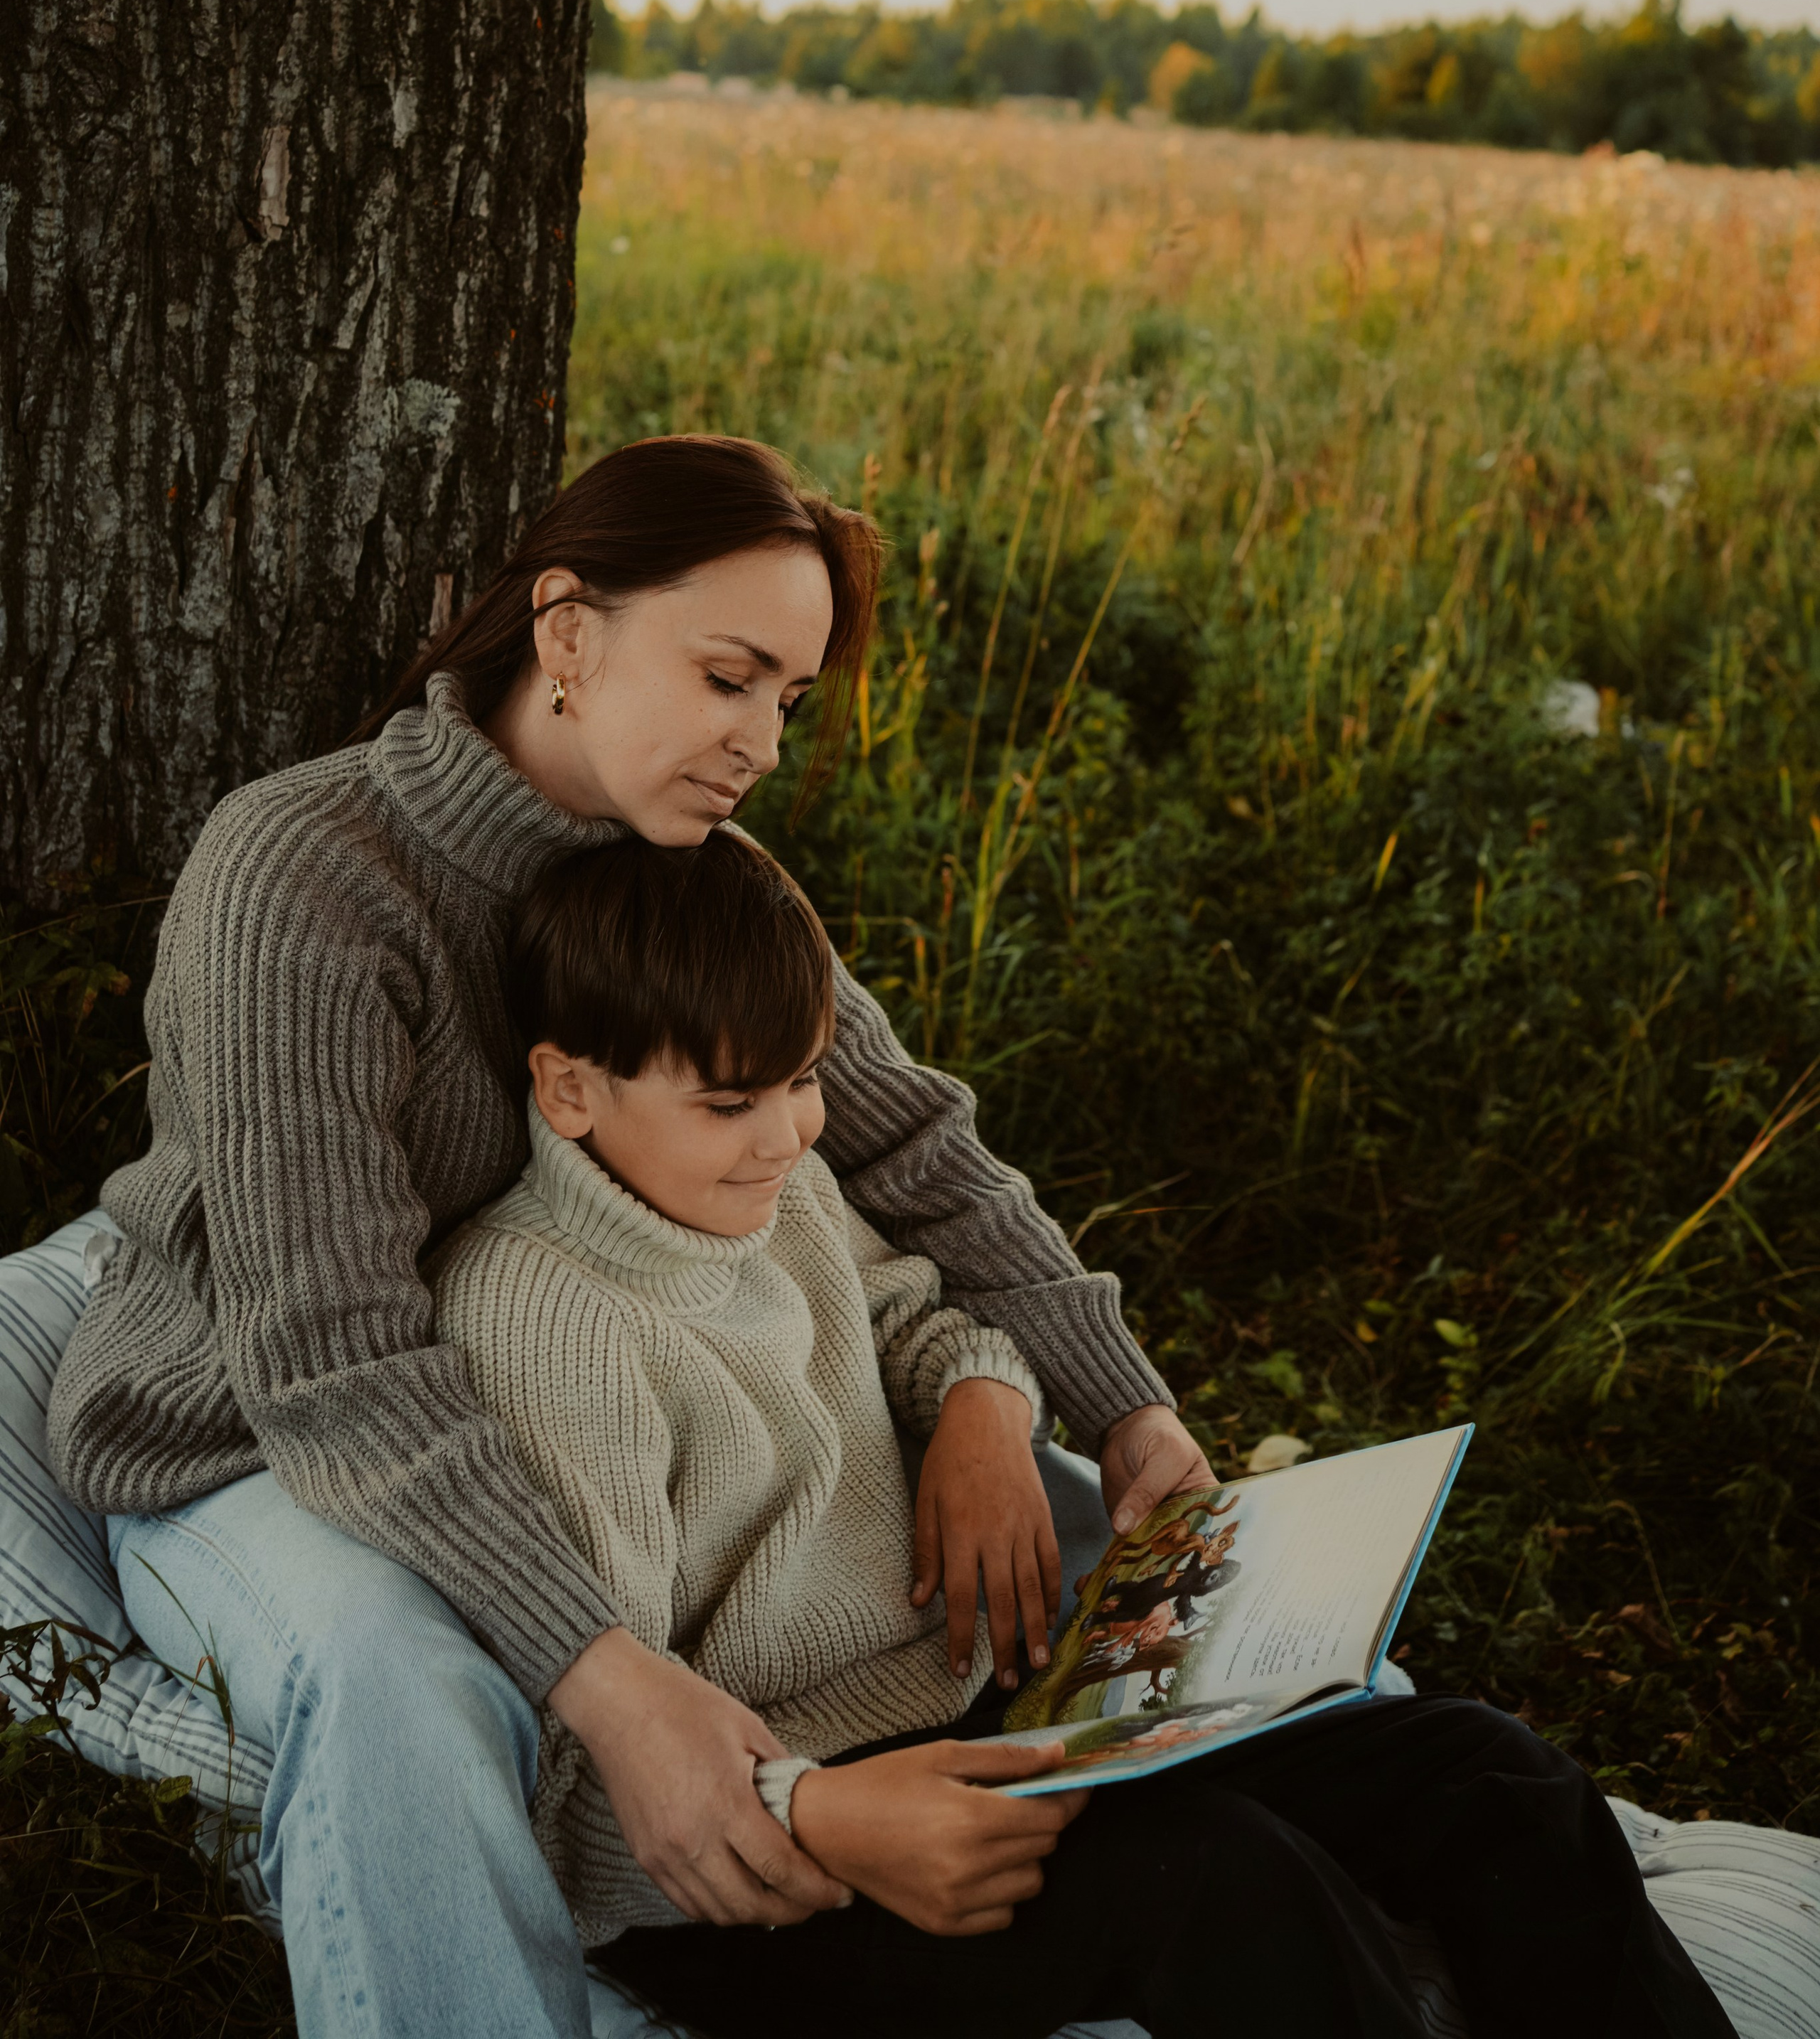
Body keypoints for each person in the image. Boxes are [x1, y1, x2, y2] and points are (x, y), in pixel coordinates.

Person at [45, 434, 1194, 2039]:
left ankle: (1351, 1878)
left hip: (585, 1382)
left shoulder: (697, 872)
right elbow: (327, 1356)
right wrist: (610, 1679)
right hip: (251, 1439)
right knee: (408, 1675)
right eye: (728, 676)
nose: (760, 745)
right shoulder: (300, 879)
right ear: (566, 630)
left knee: (1078, 1555)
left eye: (785, 700)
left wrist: (1100, 1409)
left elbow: (907, 1142)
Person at [432, 824, 1737, 2039]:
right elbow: (592, 1787)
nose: (785, 1137)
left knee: (1486, 1776)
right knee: (1215, 1881)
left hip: (971, 1723)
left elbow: (918, 1318)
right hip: (771, 1868)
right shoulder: (546, 1324)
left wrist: (983, 1401)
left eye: (807, 1080)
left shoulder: (768, 1190)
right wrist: (815, 1816)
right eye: (732, 1103)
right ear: (567, 1090)